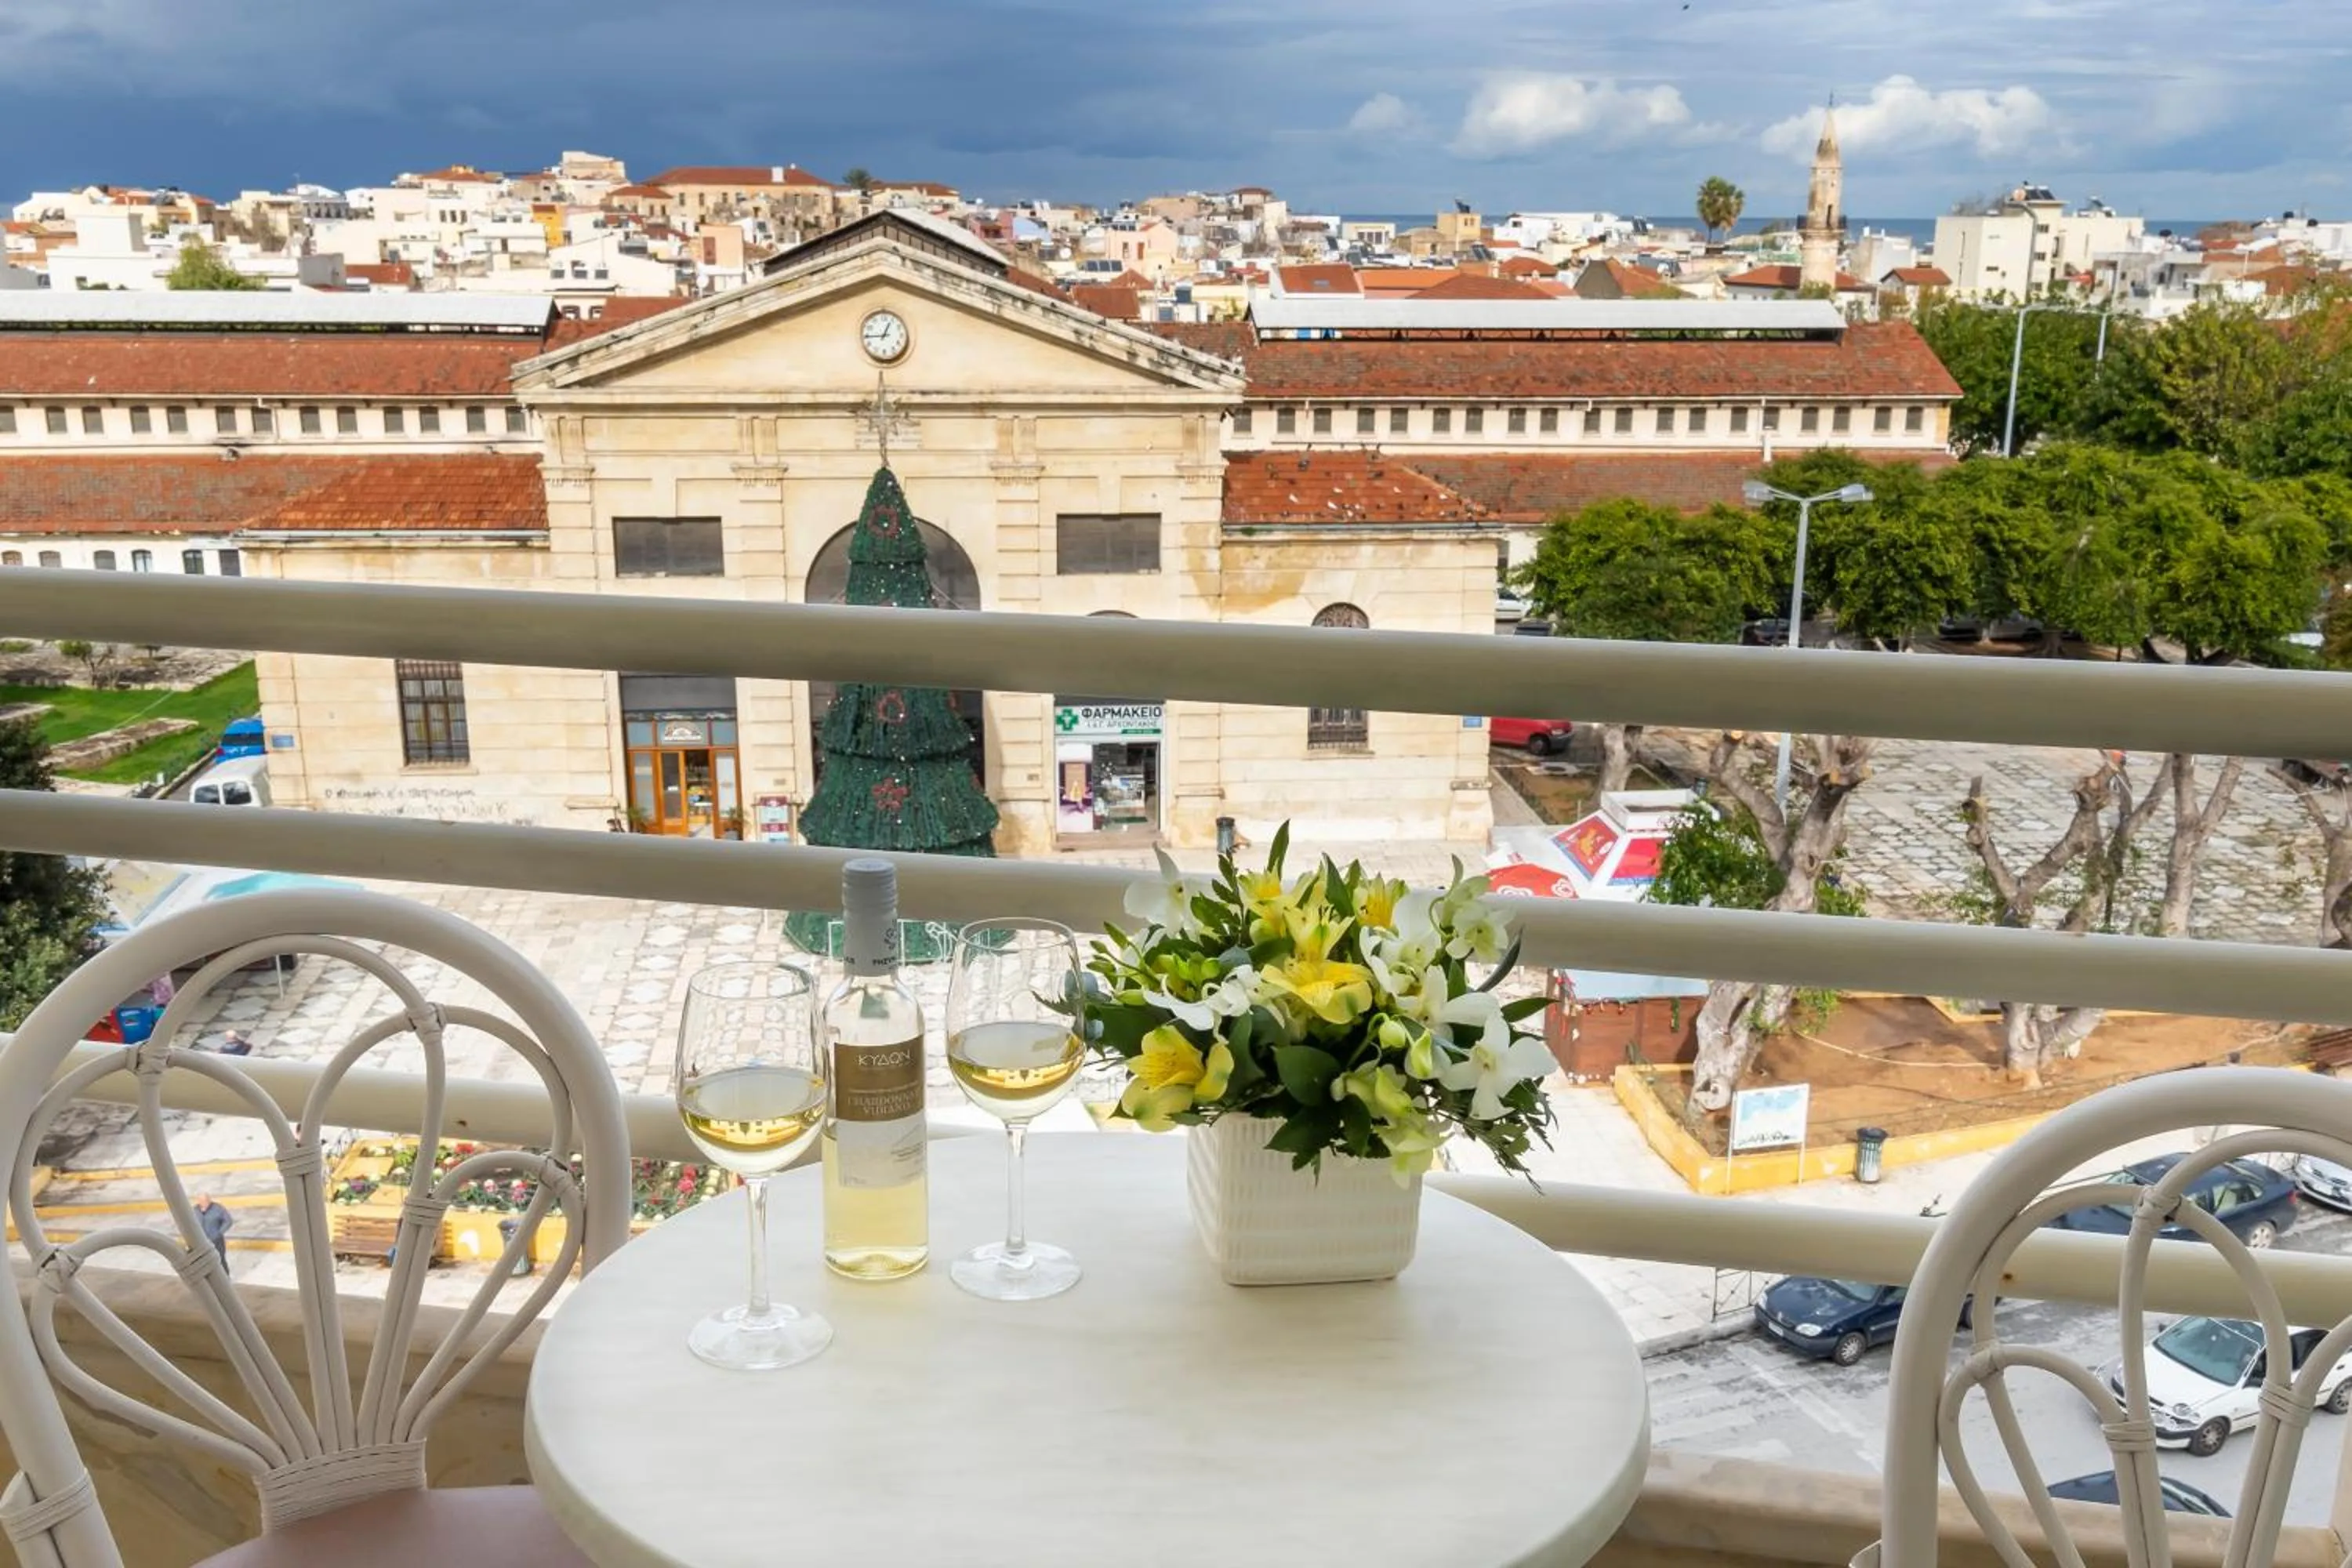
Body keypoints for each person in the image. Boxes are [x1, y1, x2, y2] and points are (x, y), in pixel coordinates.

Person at [192, 1192, 233, 1268]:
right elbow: (190, 1223)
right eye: (201, 1201)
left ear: (209, 1199)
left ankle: (224, 1278)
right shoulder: (194, 1210)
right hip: (201, 1241)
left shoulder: (218, 1208)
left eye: (205, 1200)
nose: (203, 1203)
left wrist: (219, 1232)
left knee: (220, 1261)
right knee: (203, 1262)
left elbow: (228, 1221)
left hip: (216, 1240)